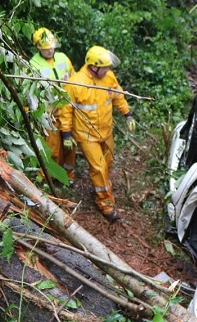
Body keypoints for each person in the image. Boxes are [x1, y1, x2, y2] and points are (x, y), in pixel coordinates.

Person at [59, 46, 136, 223]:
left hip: (106, 131)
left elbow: (118, 96)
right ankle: (105, 204)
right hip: (86, 135)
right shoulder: (76, 83)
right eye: (105, 67)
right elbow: (65, 109)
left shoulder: (108, 77)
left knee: (107, 163)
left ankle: (102, 188)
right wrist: (66, 133)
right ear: (94, 67)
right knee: (99, 167)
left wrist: (127, 114)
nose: (108, 70)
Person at [29, 27, 77, 184]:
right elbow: (29, 90)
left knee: (71, 146)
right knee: (53, 148)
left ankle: (68, 176)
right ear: (38, 48)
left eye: (51, 48)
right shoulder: (33, 64)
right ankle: (48, 178)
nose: (50, 51)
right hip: (49, 114)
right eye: (46, 49)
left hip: (68, 109)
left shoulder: (63, 58)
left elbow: (74, 79)